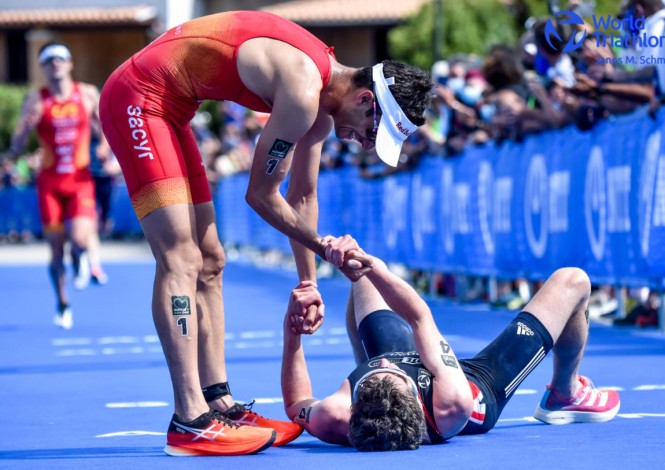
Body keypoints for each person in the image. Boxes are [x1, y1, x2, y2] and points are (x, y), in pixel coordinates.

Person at [98, 10, 433, 456]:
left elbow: (301, 198)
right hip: (138, 99)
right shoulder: (301, 89)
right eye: (374, 133)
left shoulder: (319, 109)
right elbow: (260, 194)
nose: (367, 144)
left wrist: (309, 282)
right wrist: (326, 249)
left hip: (171, 109)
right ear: (367, 101)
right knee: (181, 257)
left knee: (211, 259)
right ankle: (190, 419)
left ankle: (218, 403)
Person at [280, 242, 621, 451]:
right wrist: (378, 269)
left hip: (407, 397)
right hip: (477, 384)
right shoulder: (451, 403)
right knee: (574, 281)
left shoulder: (334, 416)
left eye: (374, 369)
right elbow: (419, 316)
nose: (388, 364)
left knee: (363, 279)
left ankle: (365, 303)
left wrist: (292, 329)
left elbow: (296, 403)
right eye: (388, 369)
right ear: (415, 390)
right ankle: (566, 392)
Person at [10, 42, 110, 329]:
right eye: (49, 61)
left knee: (80, 239)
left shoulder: (87, 93)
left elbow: (106, 126)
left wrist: (104, 147)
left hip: (79, 181)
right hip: (50, 184)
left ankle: (79, 257)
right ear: (42, 67)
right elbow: (16, 147)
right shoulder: (36, 100)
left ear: (69, 64)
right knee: (55, 249)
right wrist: (26, 129)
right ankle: (63, 303)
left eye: (60, 60)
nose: (55, 65)